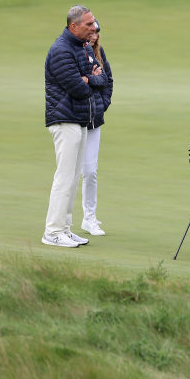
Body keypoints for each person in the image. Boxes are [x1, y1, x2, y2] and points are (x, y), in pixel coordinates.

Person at [43, 5, 105, 248]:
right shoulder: (61, 50)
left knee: (73, 178)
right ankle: (52, 231)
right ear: (74, 26)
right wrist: (90, 79)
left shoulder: (82, 48)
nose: (94, 27)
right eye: (89, 24)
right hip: (64, 119)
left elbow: (100, 78)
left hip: (78, 120)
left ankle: (65, 230)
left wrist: (89, 78)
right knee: (65, 177)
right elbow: (78, 88)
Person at [79, 18, 113, 236]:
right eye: (92, 30)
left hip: (94, 119)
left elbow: (107, 80)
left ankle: (89, 218)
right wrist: (94, 79)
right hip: (74, 118)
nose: (95, 35)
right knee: (72, 172)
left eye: (97, 31)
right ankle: (62, 219)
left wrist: (103, 103)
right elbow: (75, 80)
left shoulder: (99, 54)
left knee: (90, 171)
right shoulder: (74, 52)